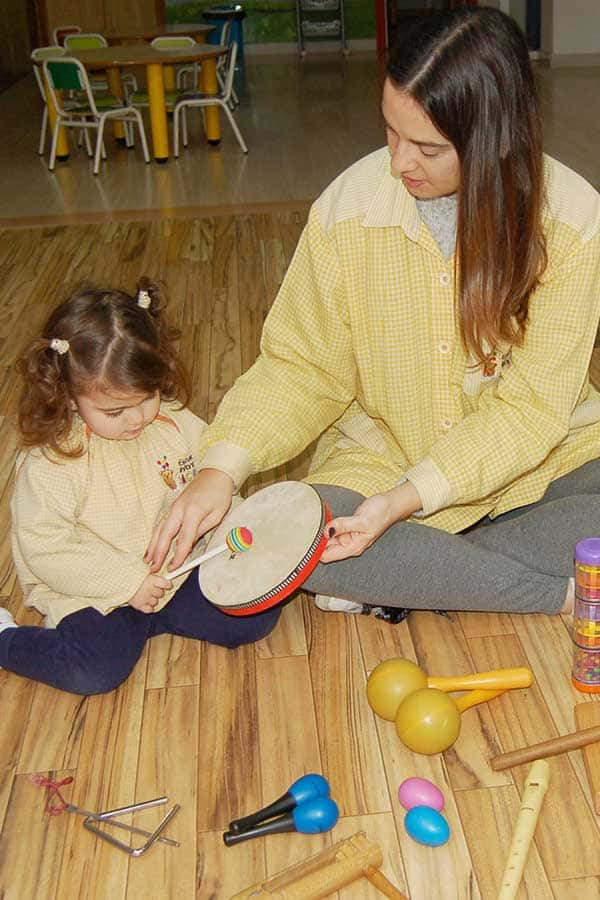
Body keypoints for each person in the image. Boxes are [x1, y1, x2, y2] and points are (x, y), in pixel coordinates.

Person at [146, 6, 600, 619]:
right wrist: (222, 470)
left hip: (544, 465)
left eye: (428, 148)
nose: (397, 163)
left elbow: (531, 413)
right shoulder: (347, 210)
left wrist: (405, 505)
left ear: (499, 140)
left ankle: (429, 570)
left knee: (318, 554)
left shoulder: (570, 222)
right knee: (316, 529)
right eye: (390, 131)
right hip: (379, 462)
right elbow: (300, 367)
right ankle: (535, 586)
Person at [0, 280, 280, 695]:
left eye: (146, 397)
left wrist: (233, 522)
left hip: (177, 575)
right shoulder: (52, 462)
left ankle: (153, 622)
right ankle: (7, 640)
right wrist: (129, 582)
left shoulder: (171, 420)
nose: (136, 418)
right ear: (70, 396)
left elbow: (212, 477)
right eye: (115, 411)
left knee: (256, 616)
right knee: (93, 671)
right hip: (97, 591)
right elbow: (46, 549)